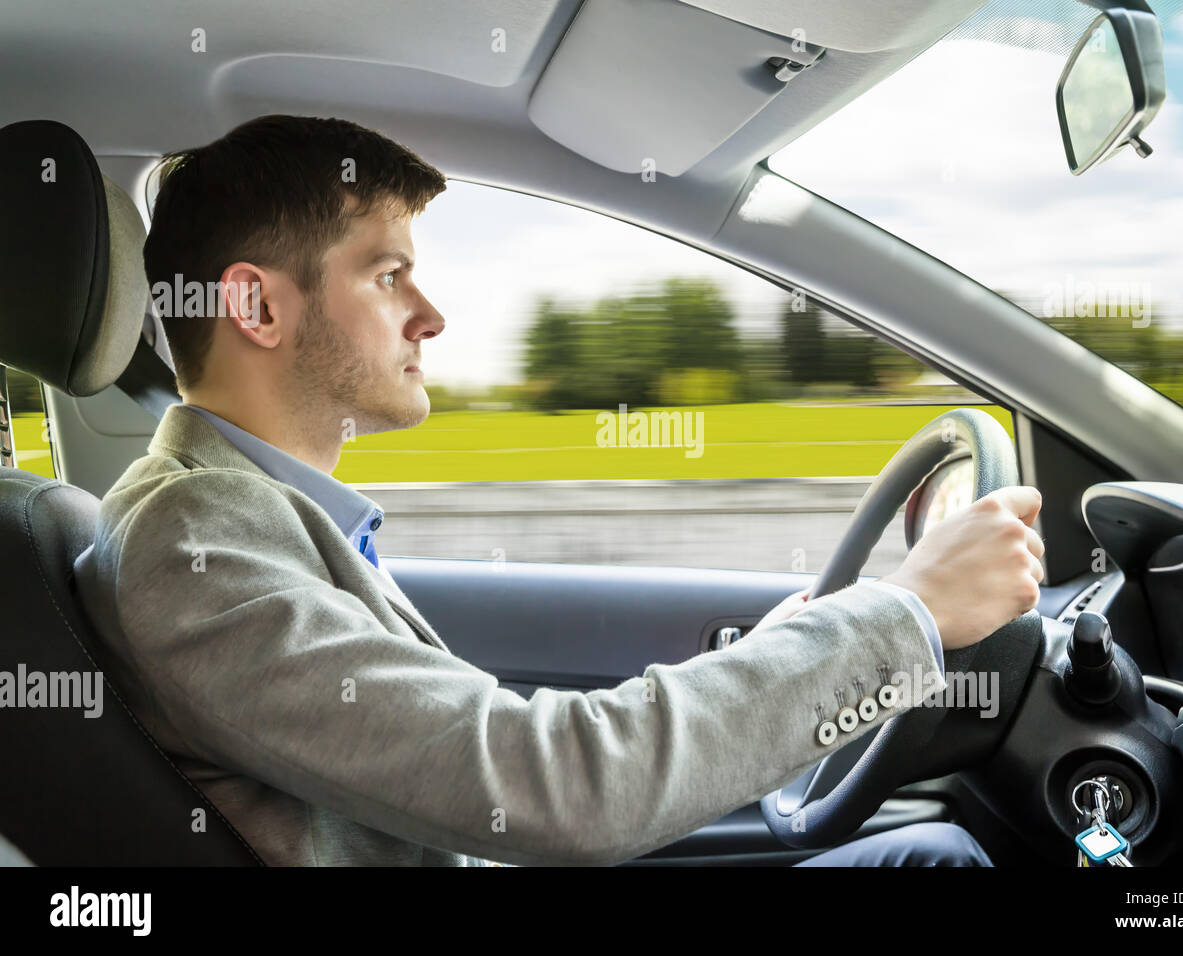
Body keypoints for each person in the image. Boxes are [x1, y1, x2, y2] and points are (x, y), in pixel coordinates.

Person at [74, 115, 1044, 867]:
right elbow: (555, 784)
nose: (432, 315)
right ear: (255, 303)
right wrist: (905, 613)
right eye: (388, 276)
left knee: (932, 851)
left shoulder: (249, 511)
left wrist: (790, 657)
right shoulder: (191, 539)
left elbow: (481, 759)